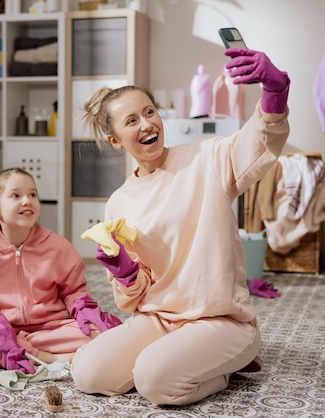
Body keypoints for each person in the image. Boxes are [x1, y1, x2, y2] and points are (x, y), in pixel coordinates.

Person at [71, 48, 290, 406]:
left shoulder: (206, 159)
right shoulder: (119, 202)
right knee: (88, 373)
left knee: (154, 382)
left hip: (221, 320)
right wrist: (126, 274)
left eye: (149, 112)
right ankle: (182, 356)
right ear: (115, 140)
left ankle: (227, 365)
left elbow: (260, 140)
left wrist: (275, 90)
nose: (146, 125)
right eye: (131, 121)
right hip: (159, 318)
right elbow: (130, 299)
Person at [0, 167, 122, 373]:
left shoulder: (58, 247)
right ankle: (48, 357)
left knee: (106, 332)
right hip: (8, 331)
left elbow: (74, 291)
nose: (27, 201)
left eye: (32, 194)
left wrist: (83, 308)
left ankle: (27, 354)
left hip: (54, 329)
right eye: (16, 195)